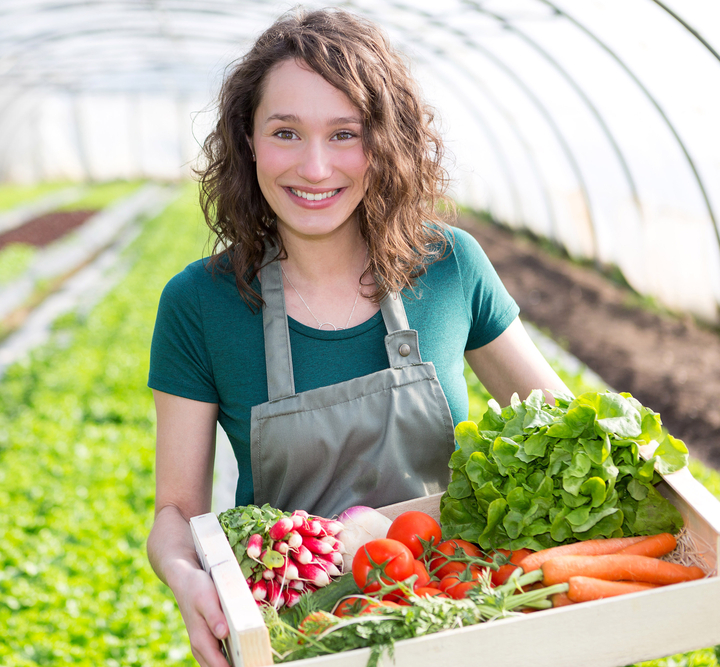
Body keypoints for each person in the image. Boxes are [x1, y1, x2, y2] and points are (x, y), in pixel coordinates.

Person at [146, 8, 569, 666]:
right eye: (286, 131)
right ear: (249, 139)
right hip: (303, 636)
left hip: (463, 613)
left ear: (385, 142)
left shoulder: (450, 267)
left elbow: (562, 424)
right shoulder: (199, 304)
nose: (315, 167)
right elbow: (175, 509)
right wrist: (186, 577)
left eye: (344, 134)